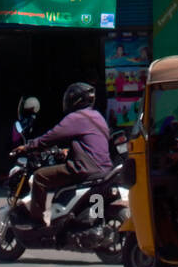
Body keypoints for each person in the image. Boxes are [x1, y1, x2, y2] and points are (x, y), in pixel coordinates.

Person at [16, 82, 111, 223]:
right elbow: (89, 144)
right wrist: (69, 151)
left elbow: (51, 137)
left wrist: (28, 147)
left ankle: (37, 222)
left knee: (40, 176)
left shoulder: (75, 118)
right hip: (105, 169)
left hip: (84, 169)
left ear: (75, 100)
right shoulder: (97, 116)